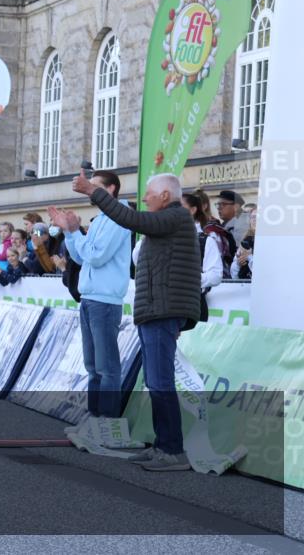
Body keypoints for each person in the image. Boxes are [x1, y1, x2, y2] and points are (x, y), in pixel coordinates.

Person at [72, 171, 200, 472]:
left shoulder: (176, 217)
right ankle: (163, 446)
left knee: (160, 383)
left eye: (149, 195)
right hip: (156, 311)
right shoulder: (169, 223)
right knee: (156, 382)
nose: (144, 199)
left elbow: (133, 220)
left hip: (161, 312)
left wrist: (93, 191)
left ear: (165, 196)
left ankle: (172, 451)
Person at [49, 170, 132, 423]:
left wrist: (75, 233)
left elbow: (96, 256)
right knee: (93, 367)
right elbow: (80, 257)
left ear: (111, 190)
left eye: (94, 186)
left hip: (105, 301)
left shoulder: (120, 217)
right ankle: (94, 419)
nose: (87, 190)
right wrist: (71, 233)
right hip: (89, 299)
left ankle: (107, 423)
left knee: (107, 368)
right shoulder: (99, 220)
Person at [180, 193, 223, 320]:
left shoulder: (205, 240)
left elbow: (216, 275)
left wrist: (188, 280)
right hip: (165, 304)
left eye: (180, 206)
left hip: (192, 303)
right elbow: (137, 258)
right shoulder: (163, 235)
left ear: (193, 210)